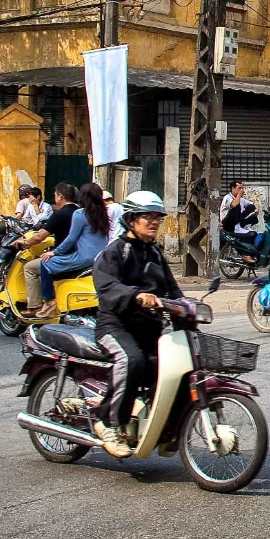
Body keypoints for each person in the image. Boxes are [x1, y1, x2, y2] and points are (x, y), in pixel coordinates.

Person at [93, 190, 183, 458]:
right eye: (147, 216)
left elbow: (172, 290)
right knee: (133, 361)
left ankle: (163, 429)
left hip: (149, 329)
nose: (153, 222)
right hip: (115, 325)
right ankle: (108, 423)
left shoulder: (155, 254)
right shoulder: (115, 252)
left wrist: (188, 306)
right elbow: (107, 287)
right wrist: (135, 295)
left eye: (157, 217)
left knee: (176, 367)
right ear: (131, 219)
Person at [26, 182, 112, 319]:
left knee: (45, 263)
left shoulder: (80, 214)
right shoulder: (103, 214)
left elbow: (71, 239)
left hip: (84, 257)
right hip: (101, 257)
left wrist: (54, 252)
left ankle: (48, 302)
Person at [16, 182, 79, 313]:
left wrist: (26, 243)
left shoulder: (58, 214)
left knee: (29, 268)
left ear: (60, 196)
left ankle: (36, 305)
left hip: (63, 258)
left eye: (56, 195)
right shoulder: (81, 213)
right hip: (80, 256)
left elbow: (40, 237)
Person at [219, 180, 263, 261]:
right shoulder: (227, 198)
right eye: (239, 188)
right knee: (236, 206)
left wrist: (256, 209)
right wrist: (239, 195)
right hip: (228, 223)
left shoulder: (242, 200)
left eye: (242, 188)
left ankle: (249, 254)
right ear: (233, 189)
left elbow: (253, 204)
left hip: (238, 222)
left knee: (253, 233)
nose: (241, 190)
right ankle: (237, 228)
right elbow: (233, 204)